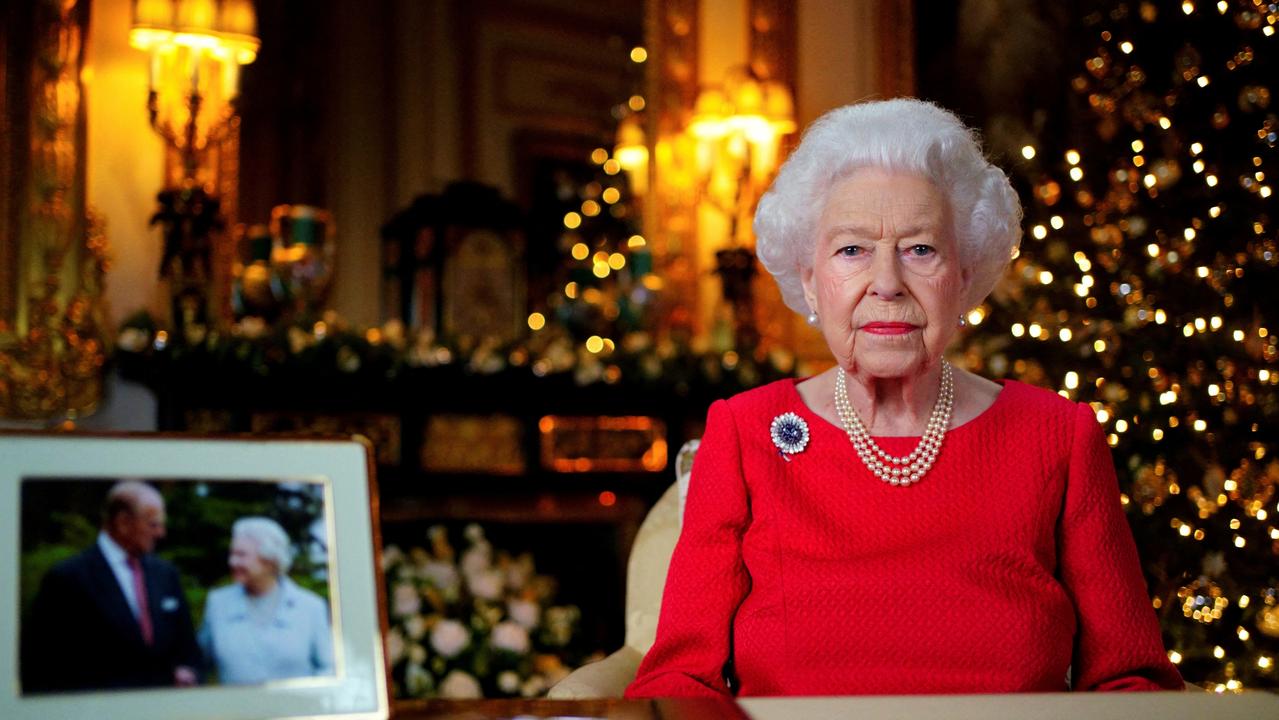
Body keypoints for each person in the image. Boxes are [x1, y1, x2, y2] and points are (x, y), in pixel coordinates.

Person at [626, 99, 1184, 697]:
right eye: (851, 250)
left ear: (965, 275)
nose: (887, 283)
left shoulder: (1055, 435)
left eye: (921, 249)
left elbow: (1131, 679)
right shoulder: (745, 431)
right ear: (811, 279)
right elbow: (679, 681)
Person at [22, 481, 200, 693]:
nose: (161, 533)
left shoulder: (166, 574)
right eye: (153, 524)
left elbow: (189, 648)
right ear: (123, 522)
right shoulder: (68, 578)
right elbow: (39, 665)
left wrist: (188, 671)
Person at [199, 516, 334, 684]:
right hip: (235, 709)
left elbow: (328, 668)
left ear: (270, 561)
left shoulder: (311, 607)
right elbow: (198, 664)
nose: (232, 562)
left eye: (241, 555)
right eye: (232, 554)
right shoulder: (218, 603)